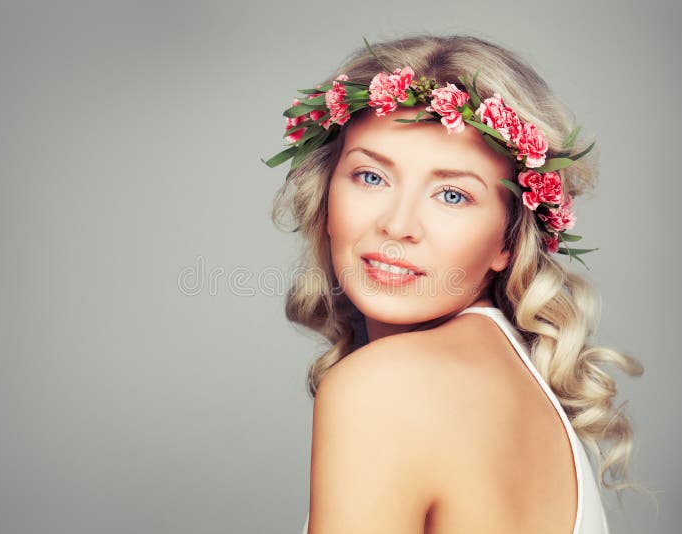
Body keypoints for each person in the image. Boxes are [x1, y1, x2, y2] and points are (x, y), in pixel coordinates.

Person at [265, 33, 649, 534]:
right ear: (326, 195)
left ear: (507, 242)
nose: (398, 225)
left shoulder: (386, 387)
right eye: (371, 177)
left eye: (451, 195)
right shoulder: (517, 384)